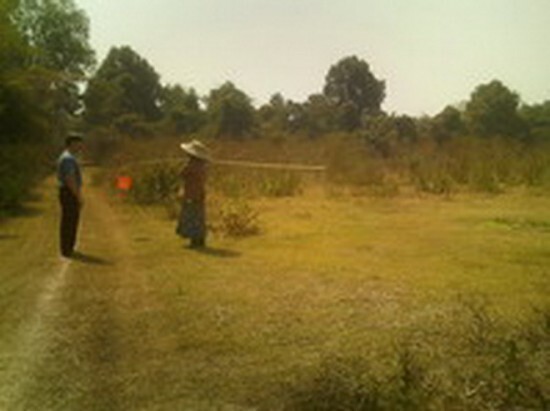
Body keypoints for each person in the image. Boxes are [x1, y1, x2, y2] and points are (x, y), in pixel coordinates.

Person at [176, 140, 210, 248]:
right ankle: (200, 239)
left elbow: (181, 174)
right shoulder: (203, 167)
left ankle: (194, 240)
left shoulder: (190, 166)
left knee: (191, 216)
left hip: (191, 194)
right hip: (200, 194)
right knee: (199, 216)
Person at [57, 132, 84, 257]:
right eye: (78, 144)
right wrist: (78, 196)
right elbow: (70, 179)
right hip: (68, 192)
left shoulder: (67, 157)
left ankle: (67, 247)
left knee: (70, 220)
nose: (80, 146)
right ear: (71, 144)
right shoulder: (68, 159)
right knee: (69, 221)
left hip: (67, 191)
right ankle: (67, 249)